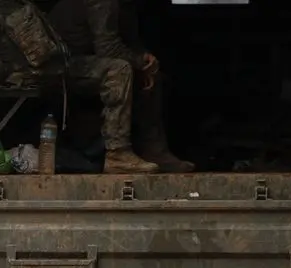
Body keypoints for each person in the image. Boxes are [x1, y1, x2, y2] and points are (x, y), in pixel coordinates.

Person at [47, 0, 195, 173]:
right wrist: (139, 63)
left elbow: (129, 40)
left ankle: (155, 151)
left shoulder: (126, 5)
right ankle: (117, 153)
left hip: (91, 61)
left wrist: (145, 61)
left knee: (151, 74)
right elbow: (107, 48)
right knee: (119, 70)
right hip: (63, 65)